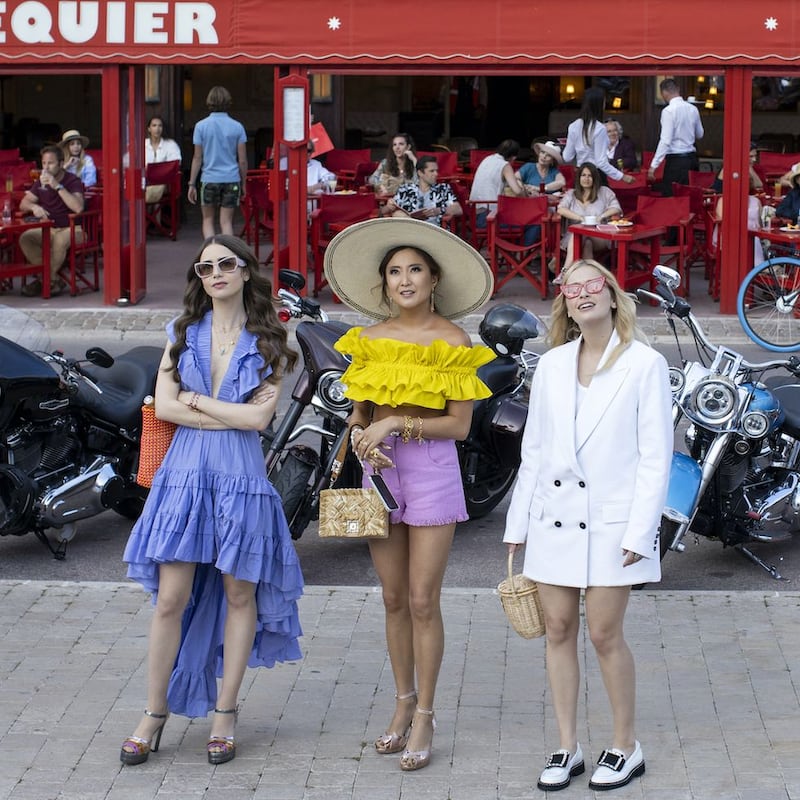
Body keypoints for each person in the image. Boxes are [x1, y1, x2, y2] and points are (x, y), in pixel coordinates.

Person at [120, 235, 304, 767]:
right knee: (170, 599)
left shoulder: (271, 340)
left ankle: (226, 713)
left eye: (227, 264)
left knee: (240, 595)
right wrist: (220, 408)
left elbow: (259, 420)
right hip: (184, 477)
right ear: (198, 278)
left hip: (241, 479)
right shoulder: (180, 333)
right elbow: (167, 409)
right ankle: (153, 713)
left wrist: (195, 402)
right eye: (206, 267)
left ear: (247, 272)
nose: (216, 273)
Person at [323, 218, 495, 772]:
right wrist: (362, 435)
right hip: (378, 470)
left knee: (423, 599)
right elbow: (357, 414)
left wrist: (396, 423)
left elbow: (460, 427)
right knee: (393, 598)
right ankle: (400, 704)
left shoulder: (452, 342)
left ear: (433, 278)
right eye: (394, 271)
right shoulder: (366, 341)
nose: (404, 279)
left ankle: (426, 713)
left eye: (414, 269)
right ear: (384, 283)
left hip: (431, 469)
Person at [503, 258, 672, 793]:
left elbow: (655, 457)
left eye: (592, 284)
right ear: (564, 303)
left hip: (614, 524)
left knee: (603, 633)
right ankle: (566, 745)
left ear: (613, 295)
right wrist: (517, 521)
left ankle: (625, 744)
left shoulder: (645, 364)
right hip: (552, 517)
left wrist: (641, 532)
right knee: (556, 630)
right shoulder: (551, 364)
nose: (582, 294)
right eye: (571, 288)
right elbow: (534, 451)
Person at [18, 144, 85, 297]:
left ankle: (44, 281)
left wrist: (57, 186)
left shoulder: (72, 180)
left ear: (61, 164)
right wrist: (34, 207)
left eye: (51, 163)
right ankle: (52, 280)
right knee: (26, 238)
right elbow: (24, 203)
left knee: (59, 242)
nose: (46, 168)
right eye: (44, 163)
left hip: (73, 228)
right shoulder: (40, 181)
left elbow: (78, 208)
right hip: (49, 229)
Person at [187, 86, 248, 239]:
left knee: (207, 220)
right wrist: (244, 182)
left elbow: (197, 158)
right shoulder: (238, 127)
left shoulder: (200, 126)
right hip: (231, 178)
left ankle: (210, 255)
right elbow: (242, 160)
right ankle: (228, 256)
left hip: (209, 179)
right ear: (228, 102)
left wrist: (191, 183)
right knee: (226, 222)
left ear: (209, 102)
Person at [562, 88, 635, 186]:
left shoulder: (573, 126)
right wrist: (622, 176)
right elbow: (601, 162)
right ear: (599, 104)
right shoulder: (599, 128)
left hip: (581, 174)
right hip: (595, 175)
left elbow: (567, 157)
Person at [557, 162, 623, 269]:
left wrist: (601, 216)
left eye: (590, 176)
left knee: (580, 234)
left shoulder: (604, 192)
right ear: (579, 178)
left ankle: (565, 270)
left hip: (600, 236)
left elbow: (616, 208)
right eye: (583, 175)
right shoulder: (571, 194)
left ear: (595, 178)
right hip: (573, 238)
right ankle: (590, 280)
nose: (586, 179)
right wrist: (580, 218)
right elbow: (561, 209)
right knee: (586, 243)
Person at [647, 78, 704, 195]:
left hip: (677, 161)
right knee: (691, 196)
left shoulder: (668, 111)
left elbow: (665, 141)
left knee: (673, 197)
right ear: (677, 90)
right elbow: (700, 134)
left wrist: (654, 165)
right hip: (692, 159)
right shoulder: (693, 109)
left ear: (664, 93)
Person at [386, 155, 462, 226]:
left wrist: (440, 210)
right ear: (420, 173)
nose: (436, 174)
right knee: (397, 213)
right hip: (410, 230)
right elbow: (386, 210)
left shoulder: (443, 188)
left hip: (434, 230)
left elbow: (458, 209)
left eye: (436, 171)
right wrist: (389, 205)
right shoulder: (406, 189)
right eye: (432, 171)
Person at [468, 139, 527, 228]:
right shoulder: (504, 165)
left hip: (475, 214)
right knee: (529, 223)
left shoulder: (487, 159)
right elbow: (517, 191)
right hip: (490, 217)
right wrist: (527, 197)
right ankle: (526, 243)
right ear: (514, 157)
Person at [145, 115, 182, 204]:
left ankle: (152, 215)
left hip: (164, 183)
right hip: (145, 182)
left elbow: (176, 163)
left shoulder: (170, 144)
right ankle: (150, 216)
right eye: (154, 126)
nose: (157, 128)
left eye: (160, 126)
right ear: (149, 129)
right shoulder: (142, 144)